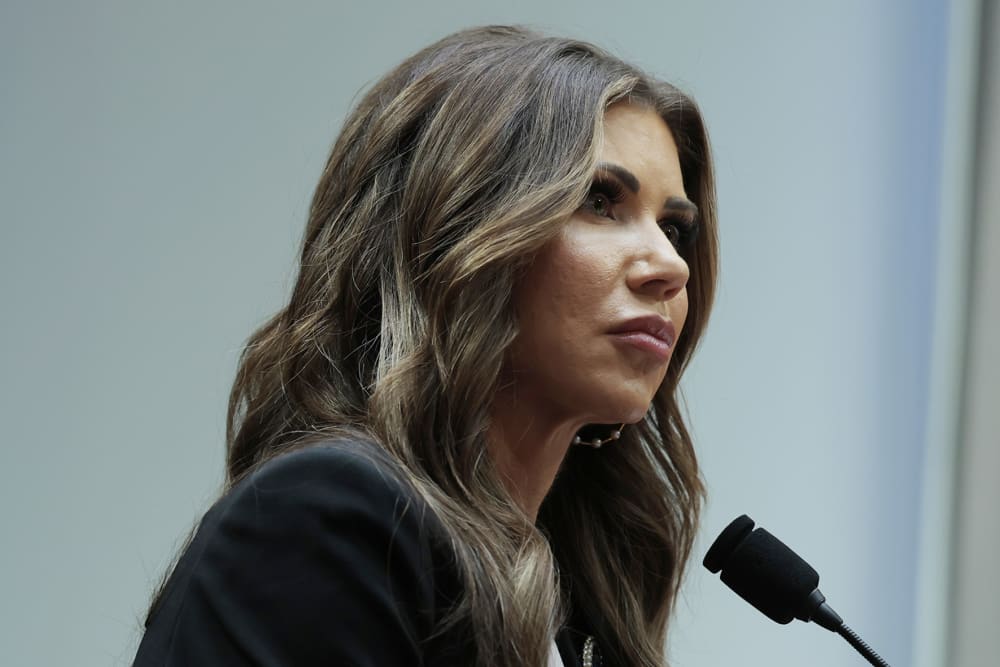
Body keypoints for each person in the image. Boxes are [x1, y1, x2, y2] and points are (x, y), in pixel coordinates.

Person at [132, 24, 718, 667]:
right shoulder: (334, 520)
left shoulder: (580, 608)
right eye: (599, 200)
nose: (670, 265)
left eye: (675, 228)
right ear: (448, 232)